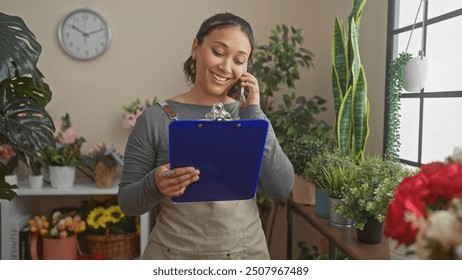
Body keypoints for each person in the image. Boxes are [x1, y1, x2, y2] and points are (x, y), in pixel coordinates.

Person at [118, 12, 294, 260]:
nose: (226, 66)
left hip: (244, 254)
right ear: (196, 47)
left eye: (239, 60)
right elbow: (127, 202)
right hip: (173, 255)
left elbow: (282, 188)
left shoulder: (250, 117)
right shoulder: (154, 119)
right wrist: (155, 185)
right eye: (219, 52)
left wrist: (254, 113)